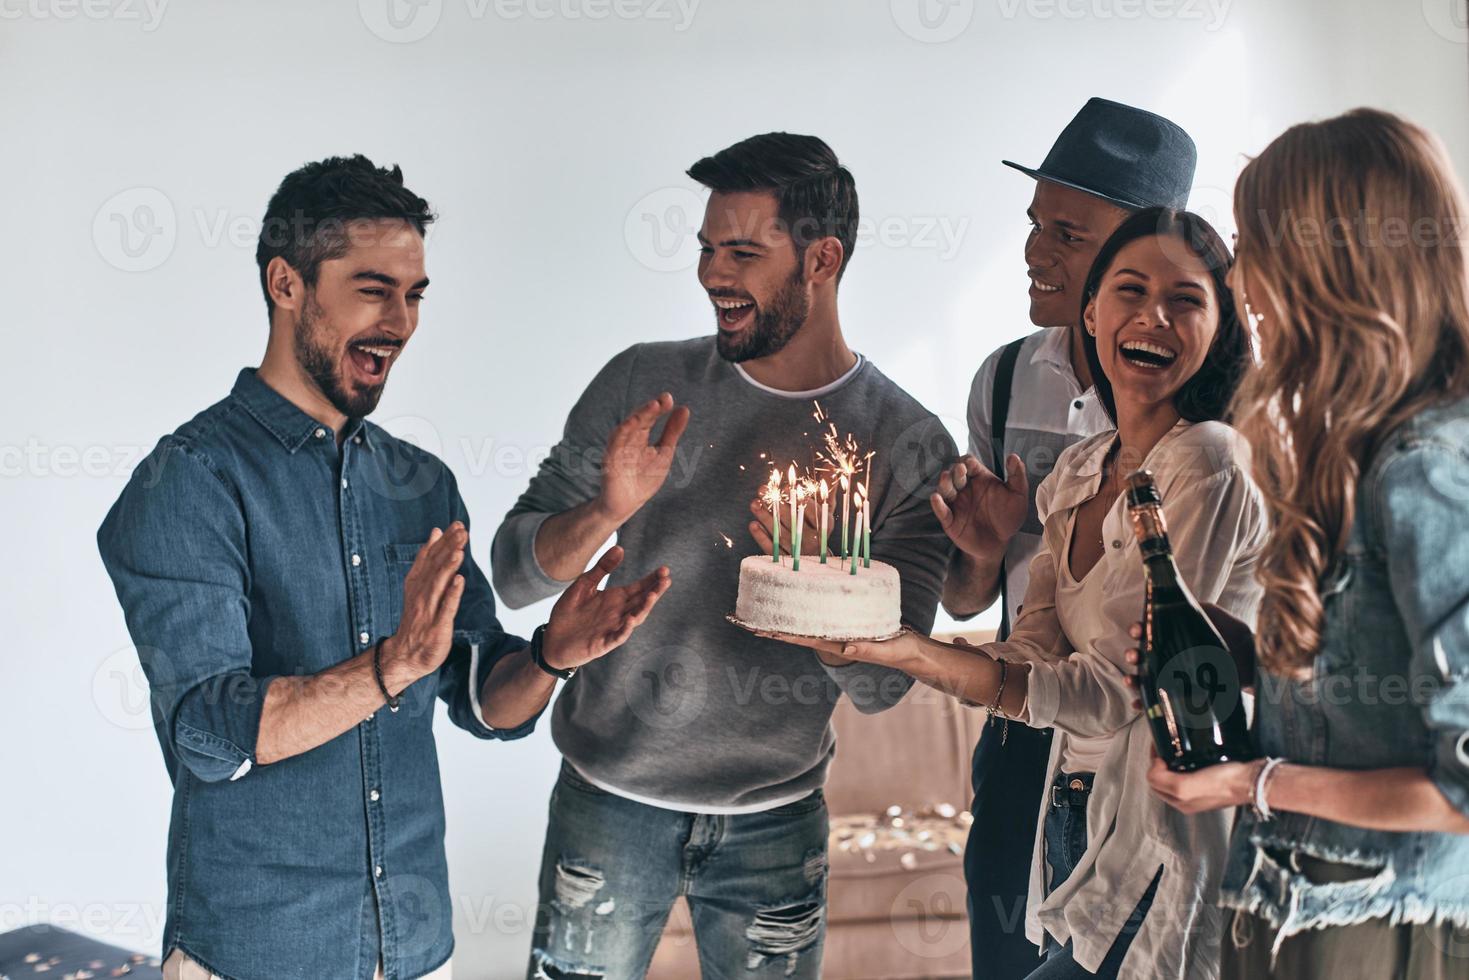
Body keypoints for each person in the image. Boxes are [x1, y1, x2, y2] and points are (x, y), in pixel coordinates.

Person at [97, 156, 670, 980]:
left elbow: (481, 701)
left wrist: (549, 655)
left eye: (414, 294)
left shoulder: (421, 483)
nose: (399, 321)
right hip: (259, 955)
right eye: (373, 288)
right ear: (286, 283)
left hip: (413, 948)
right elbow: (208, 734)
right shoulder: (189, 478)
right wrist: (390, 664)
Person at [489, 132, 955, 978]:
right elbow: (514, 576)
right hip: (606, 805)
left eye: (741, 251)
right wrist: (606, 508)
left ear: (821, 258)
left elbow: (885, 687)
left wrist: (818, 601)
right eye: (706, 248)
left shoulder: (906, 440)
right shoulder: (642, 384)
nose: (711, 274)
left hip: (775, 823)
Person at [776, 208, 1260, 979]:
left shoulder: (1205, 462)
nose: (1153, 318)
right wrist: (894, 643)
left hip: (1159, 830)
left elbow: (1115, 691)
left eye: (1185, 300)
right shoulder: (1079, 470)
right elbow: (1033, 650)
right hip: (1066, 817)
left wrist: (910, 653)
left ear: (1220, 325)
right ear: (1092, 313)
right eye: (1129, 291)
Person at [1138, 109, 1469, 979]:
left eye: (1253, 244)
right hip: (1303, 910)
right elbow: (1367, 692)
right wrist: (1235, 646)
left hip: (1385, 929)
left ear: (1330, 264)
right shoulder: (1363, 447)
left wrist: (1249, 784)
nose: (1239, 273)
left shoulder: (1430, 468)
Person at [934, 97, 1198, 977]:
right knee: (1004, 956)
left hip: (1144, 756)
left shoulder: (1213, 410)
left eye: (1067, 234)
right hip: (1021, 733)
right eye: (1034, 224)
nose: (1032, 252)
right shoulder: (1006, 381)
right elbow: (966, 599)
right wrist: (981, 547)